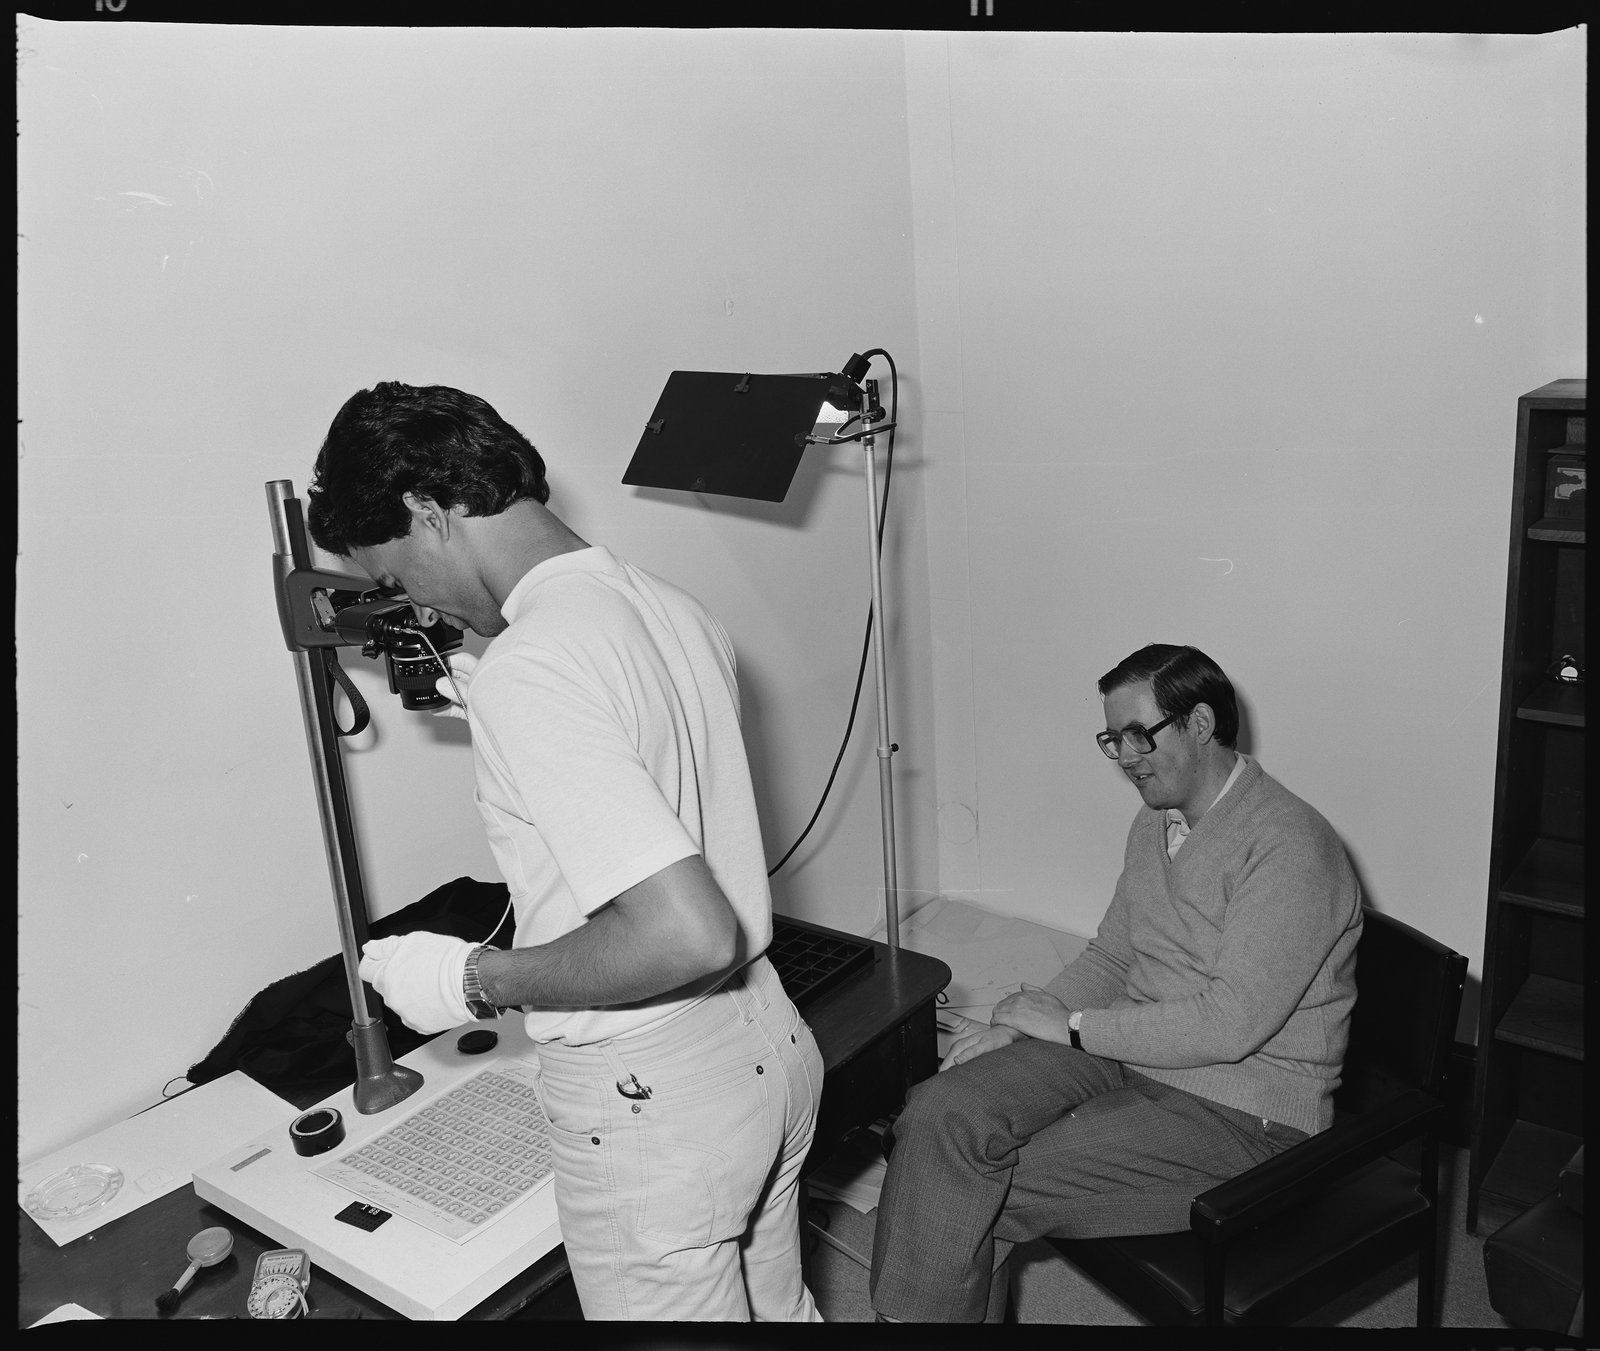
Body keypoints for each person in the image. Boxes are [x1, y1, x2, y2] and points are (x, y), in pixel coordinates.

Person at [304, 382, 825, 1322]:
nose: (405, 598)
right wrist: (488, 689)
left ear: (428, 513)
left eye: (392, 573)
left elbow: (685, 932)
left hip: (653, 1094)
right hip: (766, 1043)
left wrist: (471, 978)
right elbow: (642, 745)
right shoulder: (665, 604)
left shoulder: (536, 665)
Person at [869, 643, 1364, 1322]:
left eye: (1140, 734)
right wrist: (1016, 1023)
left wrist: (1072, 1026)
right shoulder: (1157, 822)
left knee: (977, 1187)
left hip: (1247, 1114)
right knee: (937, 1112)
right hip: (1132, 1056)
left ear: (1199, 724)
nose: (1126, 756)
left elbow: (1230, 1023)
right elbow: (1110, 955)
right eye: (1113, 738)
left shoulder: (1289, 844)